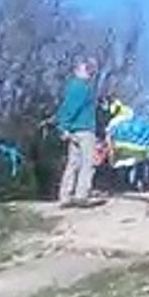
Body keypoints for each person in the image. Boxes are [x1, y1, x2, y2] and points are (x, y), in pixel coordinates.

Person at [56, 58, 99, 207]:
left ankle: (65, 196)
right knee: (88, 163)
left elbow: (64, 107)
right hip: (84, 130)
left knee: (73, 163)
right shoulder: (81, 87)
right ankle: (81, 195)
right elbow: (70, 108)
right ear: (78, 71)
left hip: (74, 130)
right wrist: (63, 126)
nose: (89, 71)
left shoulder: (74, 87)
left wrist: (63, 127)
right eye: (86, 69)